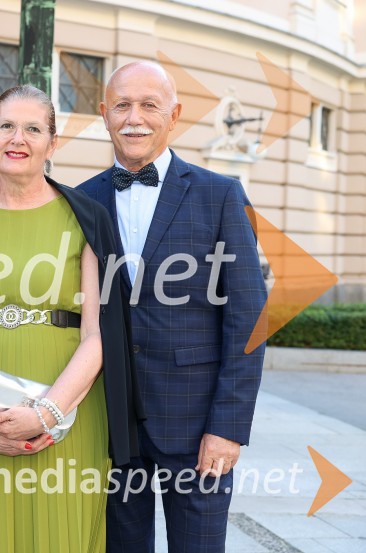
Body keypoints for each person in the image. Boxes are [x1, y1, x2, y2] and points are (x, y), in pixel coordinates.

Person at [0, 84, 142, 553]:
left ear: (52, 144)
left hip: (70, 414)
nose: (17, 138)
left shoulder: (87, 218)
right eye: (6, 126)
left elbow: (99, 334)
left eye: (33, 129)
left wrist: (47, 413)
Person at [77, 61, 267, 552]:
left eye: (149, 105)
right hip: (110, 425)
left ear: (174, 114)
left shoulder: (220, 195)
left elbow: (248, 318)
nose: (134, 118)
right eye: (122, 105)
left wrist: (227, 427)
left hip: (197, 423)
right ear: (104, 114)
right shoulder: (81, 201)